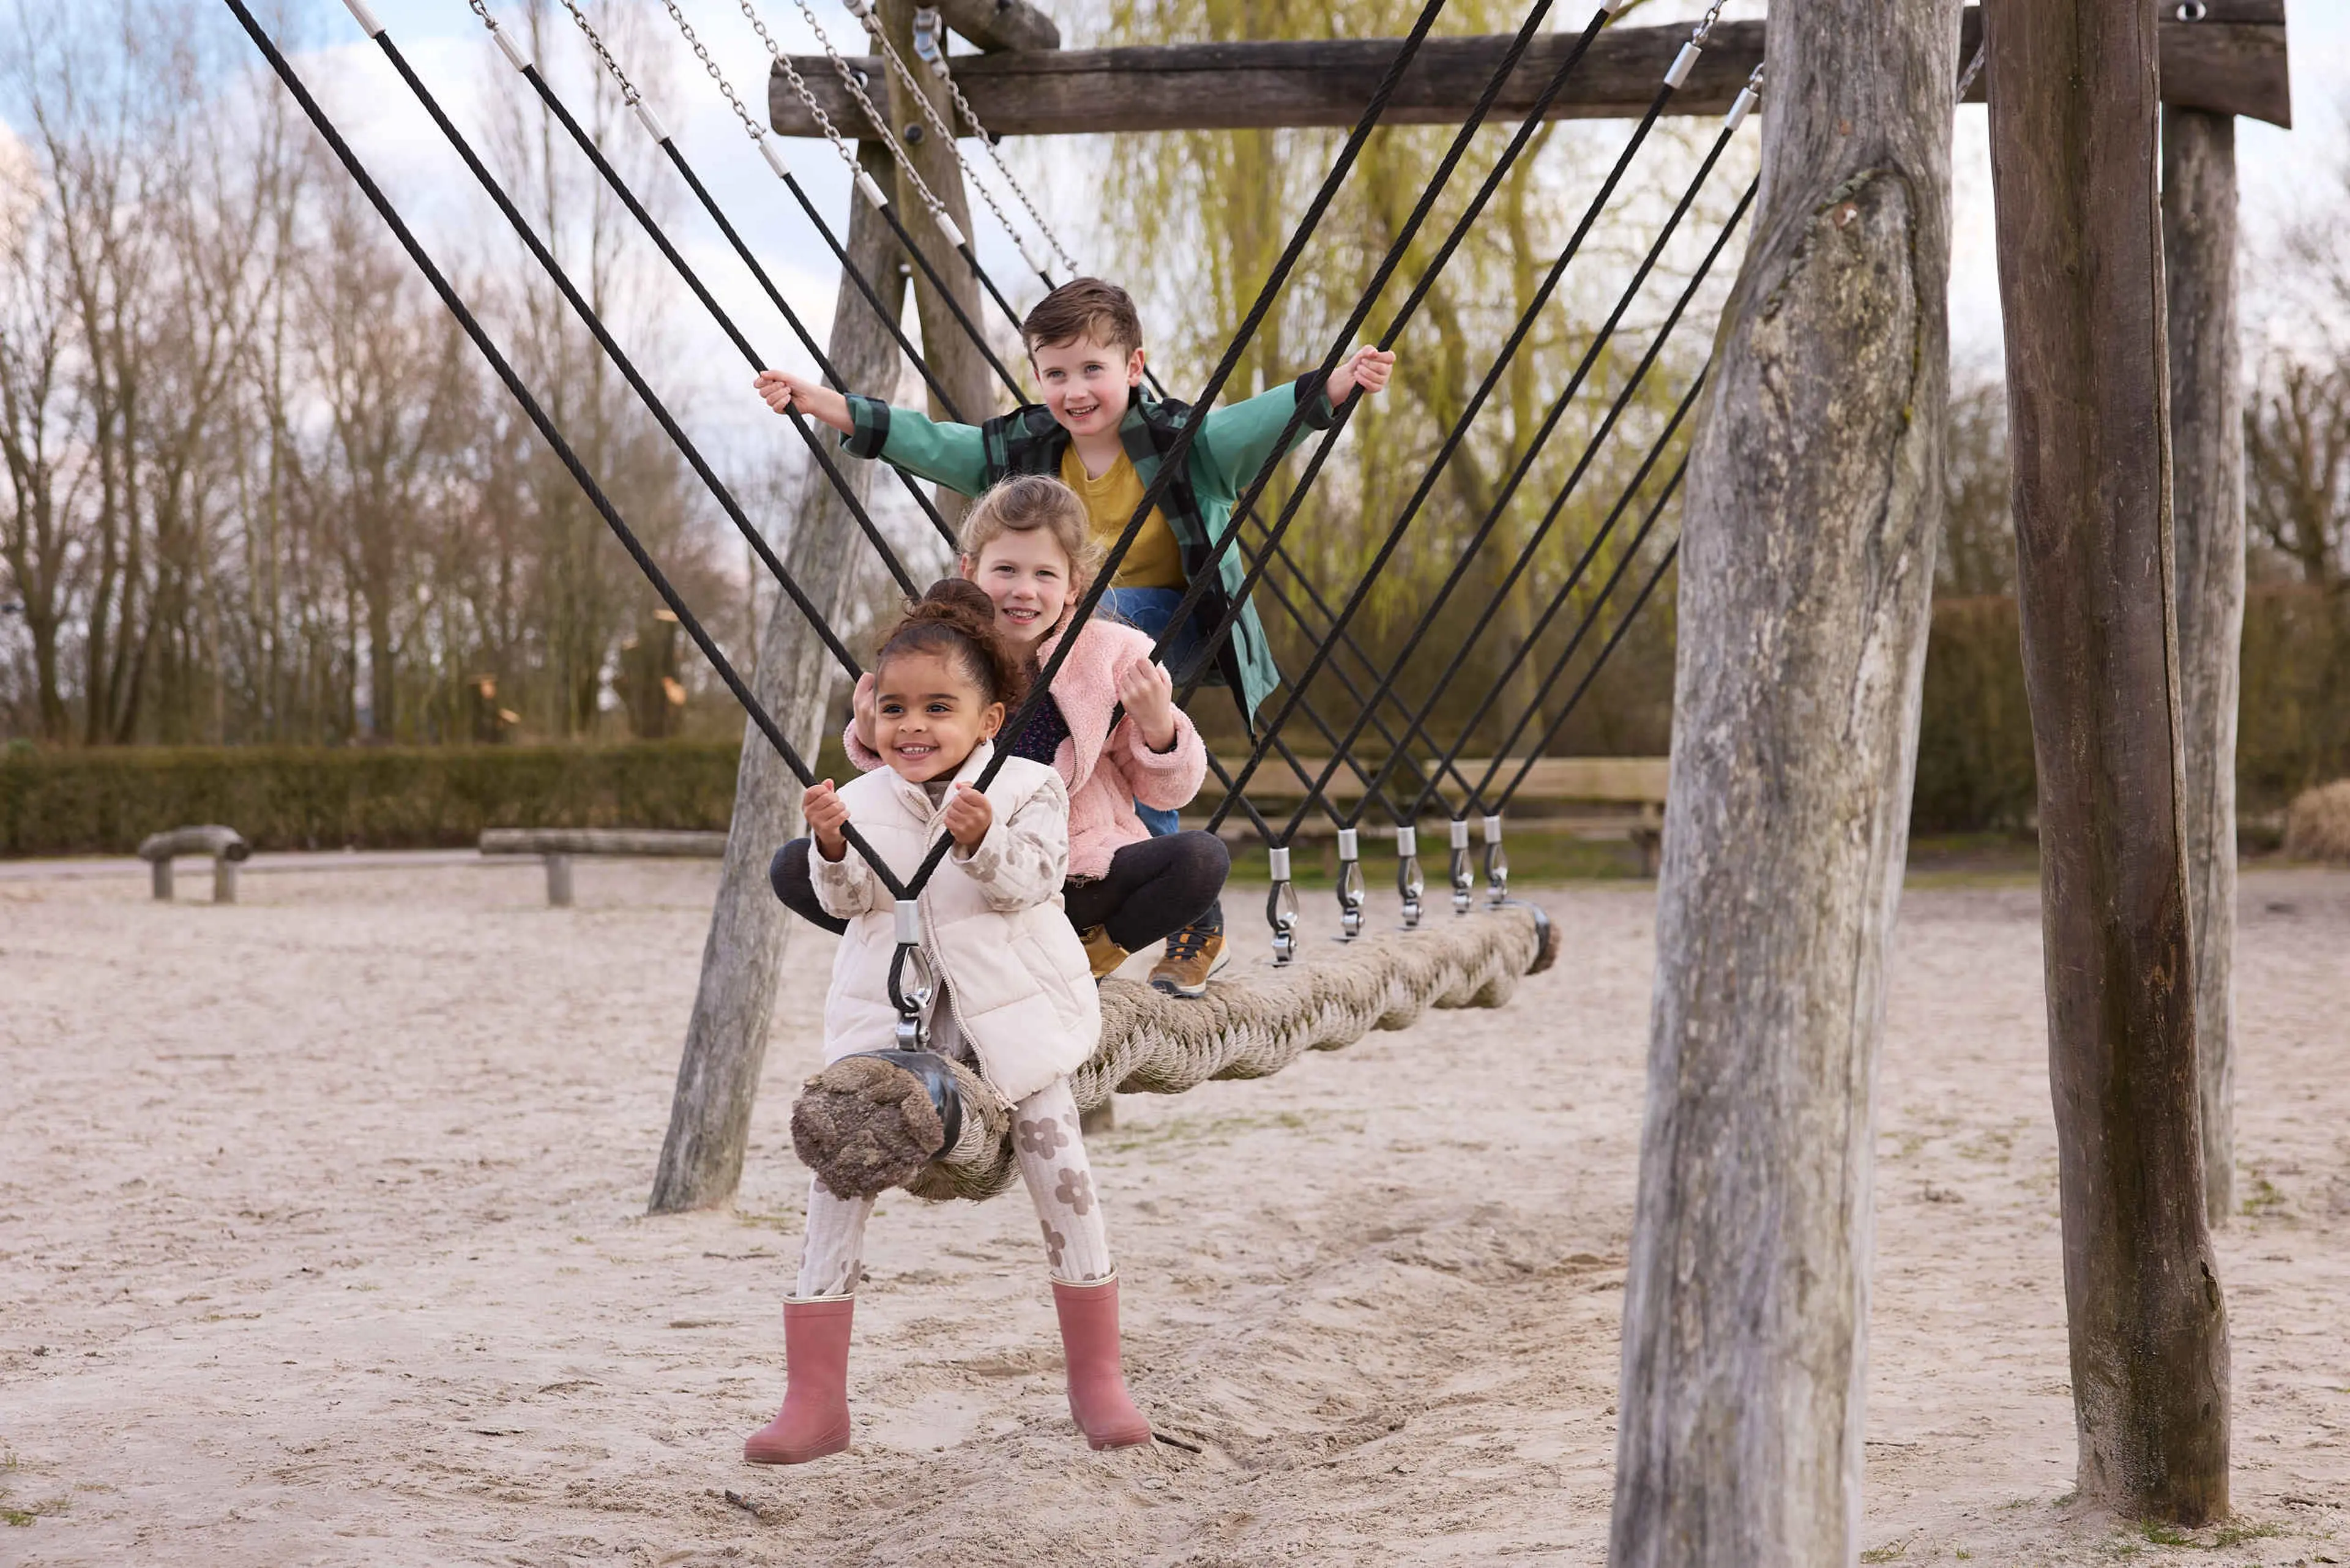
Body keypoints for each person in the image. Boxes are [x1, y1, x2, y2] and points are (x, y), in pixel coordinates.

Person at [754, 276, 1395, 993]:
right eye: (1055, 373)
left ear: (1134, 367)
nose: (1075, 390)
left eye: (1093, 368)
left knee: (1113, 643)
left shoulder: (1182, 445)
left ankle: (1184, 908)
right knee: (966, 629)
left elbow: (1255, 424)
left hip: (1172, 626)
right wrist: (824, 405)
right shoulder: (1026, 452)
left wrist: (1335, 387)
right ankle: (996, 871)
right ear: (1036, 376)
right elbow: (934, 442)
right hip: (1054, 643)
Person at [744, 578, 1150, 1465]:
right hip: (896, 1021)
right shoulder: (866, 795)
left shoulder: (1031, 787)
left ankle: (1098, 1375)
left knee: (1057, 1155)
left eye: (938, 706)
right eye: (894, 707)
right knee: (837, 1166)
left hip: (1009, 1017)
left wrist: (981, 840)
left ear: (990, 718)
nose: (912, 726)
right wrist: (831, 845)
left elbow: (1034, 881)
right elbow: (848, 900)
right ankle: (814, 1397)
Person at [769, 476, 1230, 991]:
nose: (1024, 590)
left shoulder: (1111, 656)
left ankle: (1088, 954)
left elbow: (1168, 792)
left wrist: (1158, 726)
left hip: (1070, 870)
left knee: (1201, 859)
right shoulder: (940, 652)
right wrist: (879, 739)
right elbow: (908, 785)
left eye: (1045, 574)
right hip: (955, 873)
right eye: (1006, 570)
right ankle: (937, 950)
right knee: (793, 865)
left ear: (1073, 586)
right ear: (971, 570)